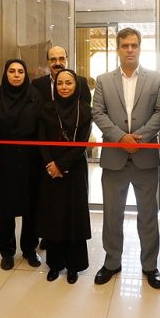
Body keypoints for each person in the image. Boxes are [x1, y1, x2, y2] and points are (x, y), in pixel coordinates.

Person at [92, 28, 160, 288]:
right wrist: (121, 138)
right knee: (112, 215)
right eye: (125, 45)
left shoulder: (156, 79)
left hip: (146, 160)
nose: (130, 49)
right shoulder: (104, 80)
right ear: (118, 49)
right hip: (114, 159)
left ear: (140, 47)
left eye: (134, 45)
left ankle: (150, 266)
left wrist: (139, 139)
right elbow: (98, 113)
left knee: (148, 215)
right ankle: (112, 262)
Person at [0, 59, 43, 270]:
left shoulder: (35, 97)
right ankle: (7, 252)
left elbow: (42, 131)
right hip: (4, 160)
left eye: (20, 71)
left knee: (31, 208)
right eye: (12, 71)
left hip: (31, 160)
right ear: (5, 74)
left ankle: (29, 249)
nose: (16, 75)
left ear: (25, 74)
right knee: (6, 209)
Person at [37, 69, 92, 284]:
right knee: (54, 216)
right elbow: (41, 139)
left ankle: (73, 266)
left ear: (76, 85)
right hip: (50, 170)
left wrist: (61, 165)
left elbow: (83, 143)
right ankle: (55, 264)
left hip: (75, 169)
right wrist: (51, 164)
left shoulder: (84, 110)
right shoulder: (46, 109)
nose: (64, 87)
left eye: (69, 83)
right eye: (60, 83)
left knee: (73, 216)